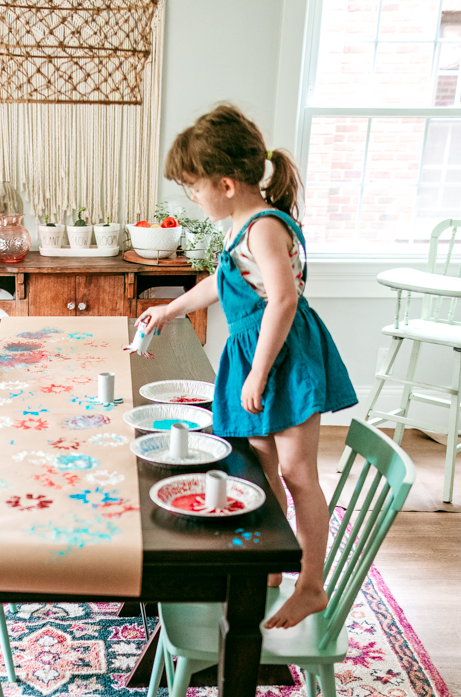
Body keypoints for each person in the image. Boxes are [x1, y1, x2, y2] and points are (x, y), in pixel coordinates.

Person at [138, 104, 357, 629]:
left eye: (195, 186)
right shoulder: (241, 227)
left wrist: (258, 373)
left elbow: (282, 300)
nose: (192, 195)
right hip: (255, 352)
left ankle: (311, 584)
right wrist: (170, 308)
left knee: (298, 474)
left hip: (281, 356)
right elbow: (225, 284)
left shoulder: (262, 227)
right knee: (261, 470)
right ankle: (271, 568)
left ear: (228, 183)